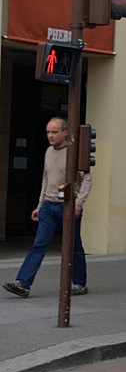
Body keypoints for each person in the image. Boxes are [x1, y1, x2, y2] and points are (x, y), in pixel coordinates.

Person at [3, 117, 91, 298]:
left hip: (68, 206)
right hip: (49, 206)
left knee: (74, 246)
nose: (50, 136)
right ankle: (23, 284)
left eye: (54, 132)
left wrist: (78, 203)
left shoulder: (74, 152)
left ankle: (80, 283)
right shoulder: (49, 152)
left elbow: (87, 180)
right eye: (48, 132)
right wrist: (39, 205)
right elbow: (46, 180)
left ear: (65, 132)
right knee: (39, 244)